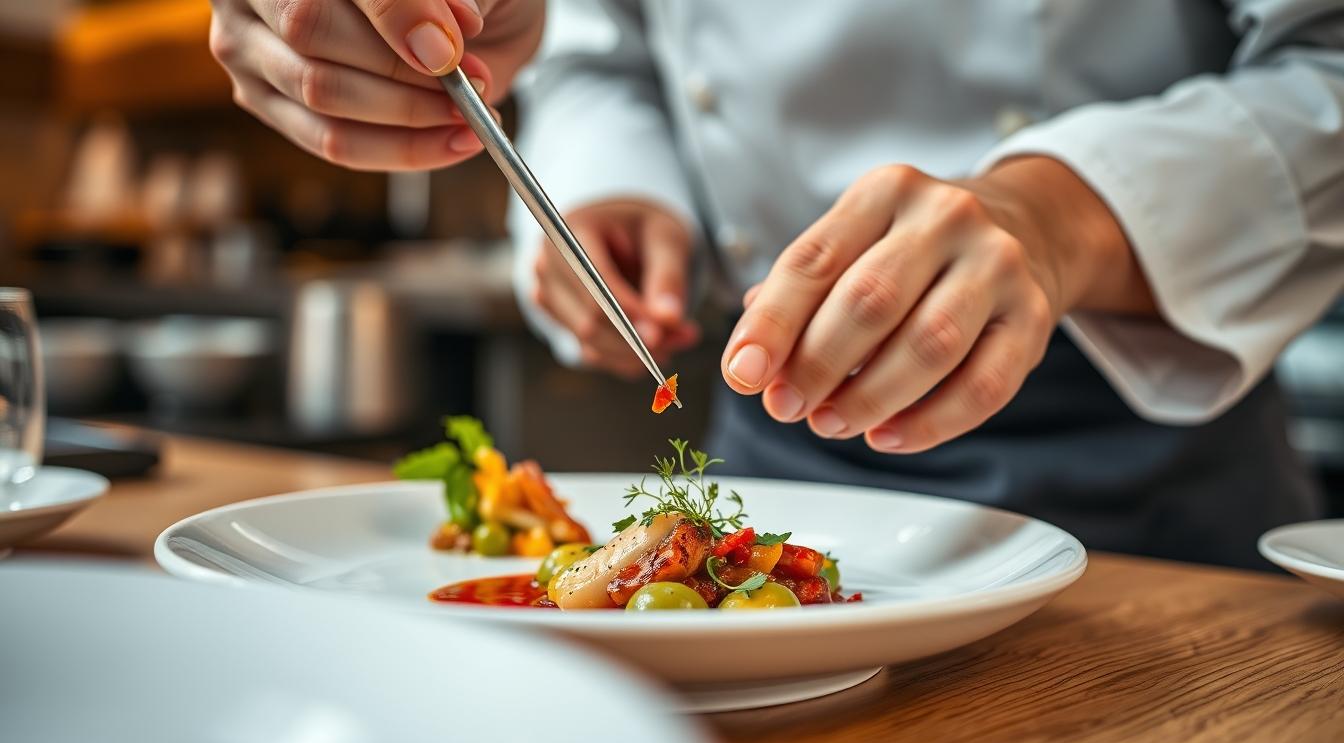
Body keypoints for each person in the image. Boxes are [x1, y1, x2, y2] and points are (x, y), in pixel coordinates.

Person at [209, 0, 1344, 569]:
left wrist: (1060, 217)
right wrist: (614, 186)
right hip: (774, 456)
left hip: (1155, 473)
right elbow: (603, 50)